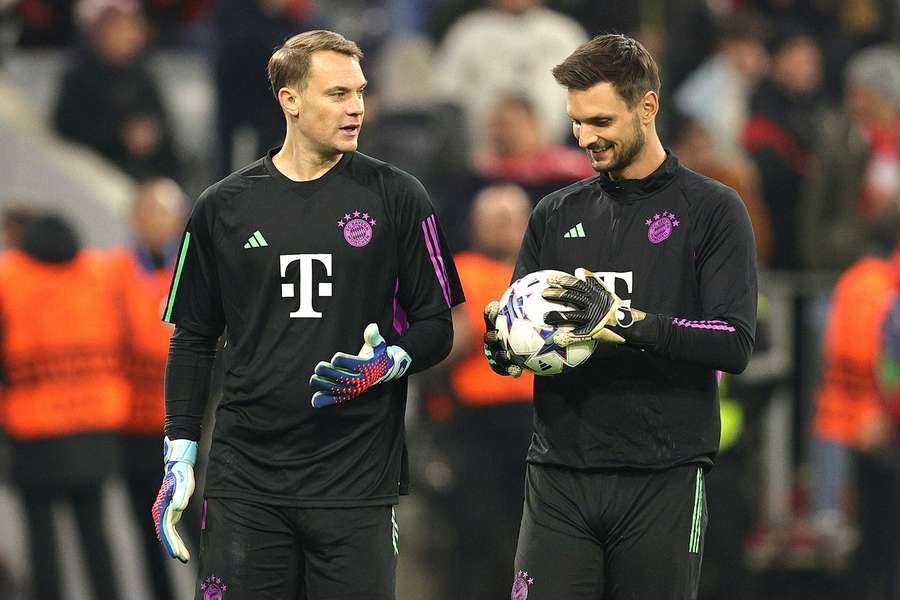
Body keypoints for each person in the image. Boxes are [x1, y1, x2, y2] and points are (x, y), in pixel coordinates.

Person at [151, 30, 463, 600]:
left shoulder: (400, 197)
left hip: (356, 477)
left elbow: (438, 325)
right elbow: (194, 337)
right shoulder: (222, 206)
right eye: (338, 93)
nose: (358, 108)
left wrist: (391, 360)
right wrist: (179, 450)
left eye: (361, 92)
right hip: (247, 478)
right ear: (290, 99)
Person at [482, 34, 758, 599]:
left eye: (601, 120)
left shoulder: (713, 210)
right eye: (576, 122)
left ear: (648, 106)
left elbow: (733, 341)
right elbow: (519, 331)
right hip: (558, 474)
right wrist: (505, 349)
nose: (585, 138)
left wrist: (626, 323)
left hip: (664, 475)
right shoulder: (555, 214)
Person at [0, 213, 127, 600]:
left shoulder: (9, 280)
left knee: (43, 543)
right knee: (96, 535)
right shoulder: (97, 272)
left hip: (34, 429)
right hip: (94, 423)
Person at [424, 184, 535, 600]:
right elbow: (434, 352)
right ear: (475, 225)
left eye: (513, 216)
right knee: (476, 537)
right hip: (473, 426)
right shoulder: (458, 273)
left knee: (533, 538)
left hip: (537, 422)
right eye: (495, 217)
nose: (505, 225)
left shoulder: (544, 277)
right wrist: (459, 333)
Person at [110, 178, 191, 600]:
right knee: (151, 533)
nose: (164, 223)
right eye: (155, 212)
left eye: (171, 214)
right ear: (137, 217)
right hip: (137, 428)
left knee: (204, 529)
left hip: (190, 429)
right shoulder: (116, 273)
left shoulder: (194, 270)